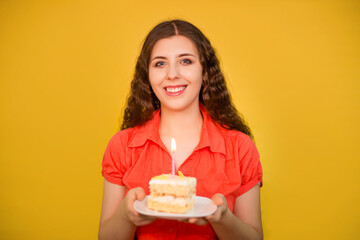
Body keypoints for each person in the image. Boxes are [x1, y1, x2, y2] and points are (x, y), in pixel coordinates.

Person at [98, 19, 263, 240]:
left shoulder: (240, 147)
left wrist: (223, 217)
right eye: (160, 63)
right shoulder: (122, 145)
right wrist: (126, 214)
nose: (172, 74)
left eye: (185, 61)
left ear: (205, 71)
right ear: (147, 75)